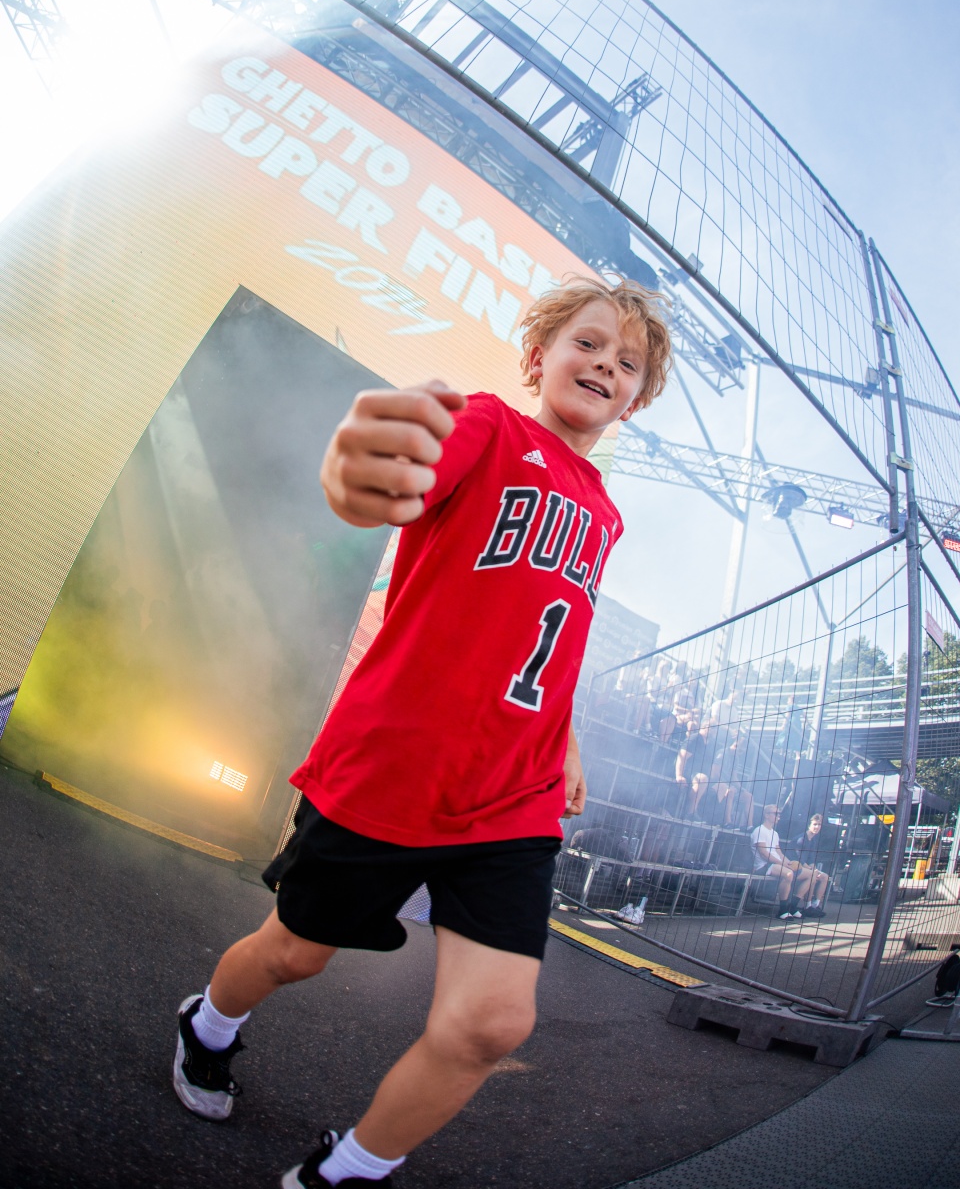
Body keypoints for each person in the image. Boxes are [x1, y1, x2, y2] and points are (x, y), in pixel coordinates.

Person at [171, 275, 672, 1188]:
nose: (607, 364)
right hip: (394, 764)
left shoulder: (605, 512)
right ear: (538, 359)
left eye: (628, 363)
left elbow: (548, 633)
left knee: (492, 1023)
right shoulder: (488, 424)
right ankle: (206, 1025)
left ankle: (348, 1172)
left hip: (512, 794)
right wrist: (360, 478)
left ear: (635, 400)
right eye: (589, 343)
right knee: (294, 953)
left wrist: (564, 740)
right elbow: (395, 484)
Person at [750, 804, 815, 920]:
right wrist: (784, 865)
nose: (778, 817)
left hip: (776, 864)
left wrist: (789, 863)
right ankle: (782, 910)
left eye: (779, 814)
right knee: (788, 874)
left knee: (811, 874)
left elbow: (779, 853)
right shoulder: (759, 830)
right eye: (776, 814)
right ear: (766, 815)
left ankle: (793, 906)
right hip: (763, 865)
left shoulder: (775, 833)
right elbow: (764, 854)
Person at [784, 813, 831, 917]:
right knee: (813, 874)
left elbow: (811, 859)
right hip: (794, 867)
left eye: (819, 824)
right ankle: (806, 906)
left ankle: (814, 906)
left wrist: (814, 868)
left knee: (824, 877)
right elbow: (799, 859)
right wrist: (811, 870)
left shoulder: (813, 840)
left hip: (805, 867)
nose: (817, 827)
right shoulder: (801, 839)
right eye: (815, 824)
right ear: (809, 825)